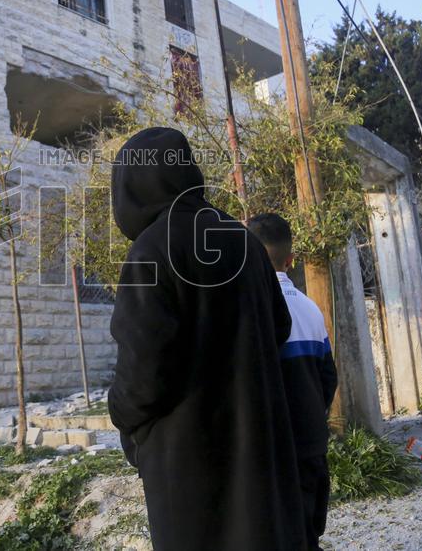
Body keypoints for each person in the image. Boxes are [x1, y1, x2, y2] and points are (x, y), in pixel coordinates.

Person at [108, 127, 305, 550]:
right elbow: (280, 327)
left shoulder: (151, 251)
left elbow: (143, 372)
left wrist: (123, 417)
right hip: (256, 443)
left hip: (187, 459)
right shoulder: (244, 242)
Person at [248, 213, 338, 551]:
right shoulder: (312, 310)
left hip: (270, 448)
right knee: (308, 531)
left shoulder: (247, 311)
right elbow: (328, 377)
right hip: (310, 440)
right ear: (291, 259)